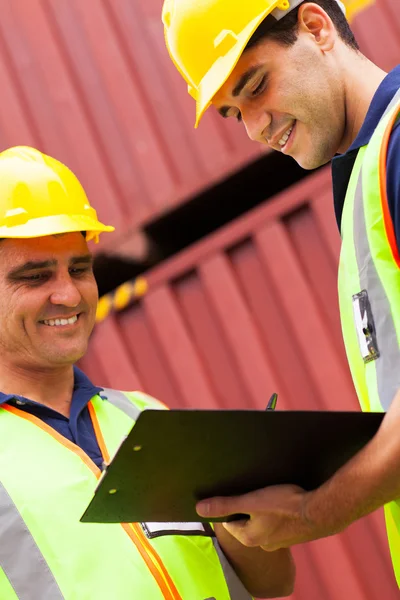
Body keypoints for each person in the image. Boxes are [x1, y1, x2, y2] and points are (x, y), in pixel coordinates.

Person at [163, 0, 400, 588]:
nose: (255, 128)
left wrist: (310, 511)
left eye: (256, 86)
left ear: (316, 28)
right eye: (231, 113)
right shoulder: (362, 179)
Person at [0, 145, 295, 599]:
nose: (69, 295)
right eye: (36, 277)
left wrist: (252, 514)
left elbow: (273, 584)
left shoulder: (145, 416)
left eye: (79, 269)